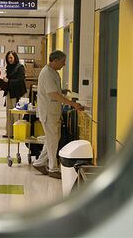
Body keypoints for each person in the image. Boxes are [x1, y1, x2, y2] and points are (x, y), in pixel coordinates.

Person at [32, 50, 84, 179]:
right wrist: (73, 104)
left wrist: (62, 91)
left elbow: (55, 91)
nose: (64, 64)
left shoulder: (52, 72)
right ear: (55, 61)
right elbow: (53, 94)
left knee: (52, 139)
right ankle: (53, 168)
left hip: (52, 111)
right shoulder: (47, 74)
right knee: (52, 140)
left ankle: (39, 163)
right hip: (49, 112)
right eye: (62, 61)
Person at [1, 51, 27, 138]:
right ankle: (9, 133)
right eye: (8, 58)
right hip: (9, 93)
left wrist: (9, 81)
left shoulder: (20, 67)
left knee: (16, 114)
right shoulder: (8, 68)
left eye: (11, 57)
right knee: (9, 112)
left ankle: (17, 133)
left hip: (17, 93)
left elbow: (20, 80)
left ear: (15, 57)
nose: (10, 59)